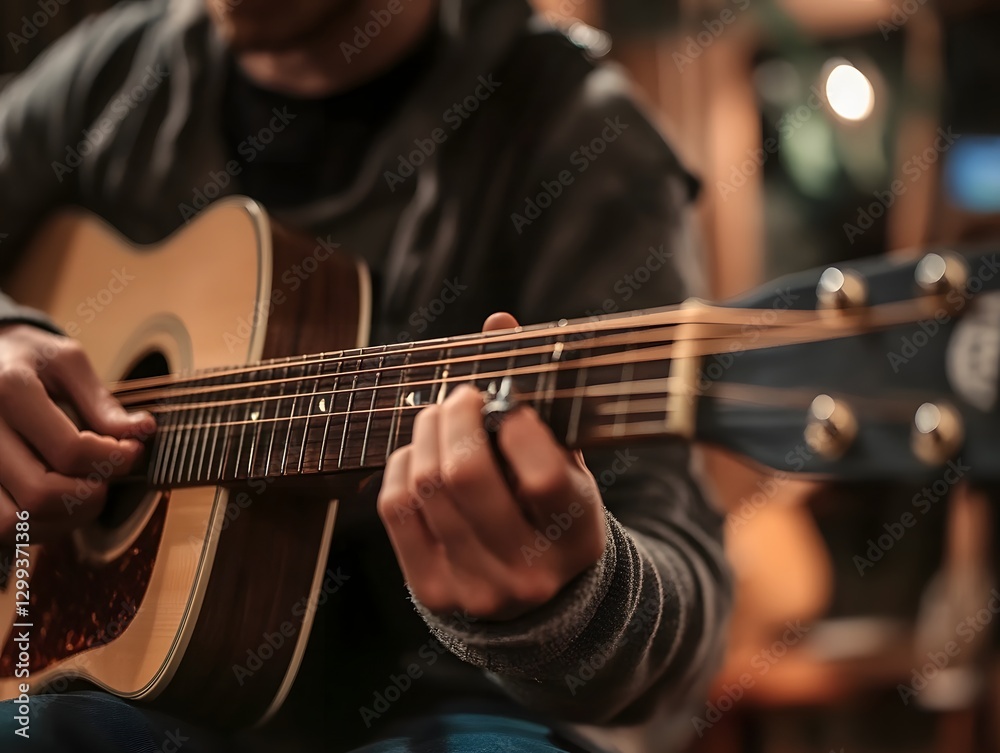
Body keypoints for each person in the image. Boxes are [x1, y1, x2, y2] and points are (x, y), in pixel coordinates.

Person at [0, 0, 731, 751]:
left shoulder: (578, 133)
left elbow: (686, 618)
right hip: (112, 690)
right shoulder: (122, 70)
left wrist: (568, 604)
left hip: (446, 705)